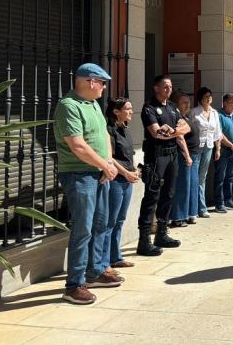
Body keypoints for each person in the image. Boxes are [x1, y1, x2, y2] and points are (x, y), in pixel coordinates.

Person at [55, 63, 120, 304]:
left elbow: (104, 135)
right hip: (79, 174)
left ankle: (94, 272)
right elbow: (78, 145)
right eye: (102, 83)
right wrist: (104, 165)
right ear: (90, 82)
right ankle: (74, 285)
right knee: (83, 229)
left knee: (101, 224)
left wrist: (109, 163)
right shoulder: (68, 106)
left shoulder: (93, 104)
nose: (104, 88)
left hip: (100, 171)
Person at [137, 74, 190, 256]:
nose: (168, 89)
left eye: (170, 86)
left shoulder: (173, 108)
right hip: (156, 157)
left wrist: (173, 131)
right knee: (152, 196)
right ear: (156, 88)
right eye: (165, 86)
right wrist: (173, 131)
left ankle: (162, 233)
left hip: (172, 155)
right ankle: (144, 240)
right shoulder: (149, 108)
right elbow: (156, 133)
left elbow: (187, 127)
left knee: (168, 194)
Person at [103, 97, 139, 274]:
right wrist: (125, 173)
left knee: (120, 220)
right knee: (111, 221)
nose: (131, 111)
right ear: (116, 112)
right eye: (128, 108)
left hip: (127, 180)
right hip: (117, 180)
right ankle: (105, 261)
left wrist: (133, 169)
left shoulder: (125, 129)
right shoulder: (109, 131)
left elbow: (129, 154)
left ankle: (116, 257)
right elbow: (110, 157)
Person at [170, 91, 201, 227]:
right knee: (183, 186)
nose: (187, 104)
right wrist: (187, 156)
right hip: (184, 156)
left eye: (188, 101)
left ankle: (190, 213)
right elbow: (180, 137)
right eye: (184, 102)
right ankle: (178, 216)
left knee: (193, 185)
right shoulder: (177, 118)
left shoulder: (186, 117)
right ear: (176, 103)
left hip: (194, 155)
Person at [190, 87, 222, 218]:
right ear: (200, 99)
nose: (208, 98)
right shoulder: (194, 112)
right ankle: (193, 208)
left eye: (210, 96)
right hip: (197, 147)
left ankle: (201, 208)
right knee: (194, 177)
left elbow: (217, 132)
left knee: (202, 177)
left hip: (209, 147)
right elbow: (190, 129)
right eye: (205, 96)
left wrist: (218, 148)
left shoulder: (214, 113)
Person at [214, 93, 233, 213]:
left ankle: (228, 200)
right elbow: (219, 133)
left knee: (230, 176)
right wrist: (231, 145)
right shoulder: (219, 116)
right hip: (224, 150)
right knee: (220, 177)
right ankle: (219, 203)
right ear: (225, 103)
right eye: (232, 102)